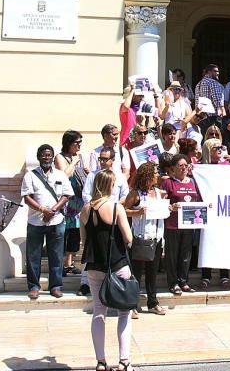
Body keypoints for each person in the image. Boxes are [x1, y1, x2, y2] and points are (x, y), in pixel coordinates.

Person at [80, 170, 135, 371]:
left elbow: (84, 241)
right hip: (117, 264)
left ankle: (101, 361)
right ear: (110, 186)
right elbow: (128, 238)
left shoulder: (85, 210)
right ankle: (124, 360)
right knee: (124, 313)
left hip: (95, 266)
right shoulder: (115, 208)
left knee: (98, 312)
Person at [22, 144, 74, 300]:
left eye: (49, 155)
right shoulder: (30, 176)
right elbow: (27, 198)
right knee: (33, 256)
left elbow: (66, 195)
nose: (46, 158)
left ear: (53, 157)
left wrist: (53, 210)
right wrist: (42, 210)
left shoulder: (60, 175)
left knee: (56, 256)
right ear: (38, 157)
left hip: (56, 221)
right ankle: (33, 287)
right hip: (35, 221)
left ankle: (55, 286)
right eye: (43, 155)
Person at [124, 161, 167, 316]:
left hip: (156, 237)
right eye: (155, 173)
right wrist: (137, 212)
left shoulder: (158, 193)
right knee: (136, 273)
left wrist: (168, 208)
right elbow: (124, 211)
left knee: (152, 272)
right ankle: (132, 304)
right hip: (140, 238)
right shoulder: (135, 194)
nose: (158, 175)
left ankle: (152, 302)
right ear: (148, 175)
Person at [161, 154, 201, 295]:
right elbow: (162, 203)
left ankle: (183, 281)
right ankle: (173, 283)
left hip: (189, 224)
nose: (184, 168)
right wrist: (171, 206)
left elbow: (198, 200)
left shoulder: (192, 182)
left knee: (186, 255)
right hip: (172, 225)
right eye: (180, 165)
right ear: (173, 168)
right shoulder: (168, 183)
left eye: (186, 165)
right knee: (172, 255)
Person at [56, 130, 90, 294]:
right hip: (66, 202)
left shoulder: (80, 157)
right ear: (68, 143)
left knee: (75, 233)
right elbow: (64, 175)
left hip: (79, 201)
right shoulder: (60, 157)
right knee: (65, 233)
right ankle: (62, 264)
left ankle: (69, 263)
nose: (79, 145)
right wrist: (74, 163)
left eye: (80, 143)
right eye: (76, 142)